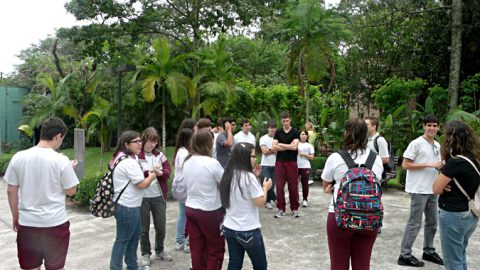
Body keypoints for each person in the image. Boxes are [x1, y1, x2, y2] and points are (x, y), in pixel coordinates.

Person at [5, 117, 79, 270]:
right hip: (55, 224)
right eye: (61, 139)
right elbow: (71, 191)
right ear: (58, 136)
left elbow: (11, 190)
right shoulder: (61, 160)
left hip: (28, 224)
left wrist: (15, 216)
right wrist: (70, 169)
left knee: (31, 267)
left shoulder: (19, 157)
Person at [321, 118, 383, 270]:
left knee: (338, 265)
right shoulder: (376, 159)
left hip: (340, 217)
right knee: (362, 265)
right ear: (366, 136)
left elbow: (326, 186)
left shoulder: (335, 158)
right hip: (369, 218)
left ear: (345, 134)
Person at [397, 114, 444, 267]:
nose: (432, 128)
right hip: (418, 189)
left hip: (432, 189)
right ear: (424, 126)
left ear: (438, 127)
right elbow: (405, 164)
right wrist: (429, 164)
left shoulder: (438, 145)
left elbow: (438, 164)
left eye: (434, 125)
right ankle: (404, 255)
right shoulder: (416, 143)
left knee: (432, 222)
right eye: (429, 125)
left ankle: (428, 251)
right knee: (414, 223)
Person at [433, 120, 480, 270]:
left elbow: (436, 188)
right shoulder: (474, 159)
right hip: (470, 214)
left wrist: (443, 176)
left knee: (453, 262)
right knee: (460, 255)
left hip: (454, 214)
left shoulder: (456, 162)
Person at [219, 143, 272, 270]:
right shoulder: (249, 177)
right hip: (248, 229)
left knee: (234, 264)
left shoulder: (228, 174)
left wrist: (255, 176)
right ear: (245, 158)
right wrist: (265, 188)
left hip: (230, 227)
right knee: (260, 265)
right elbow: (260, 202)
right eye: (253, 156)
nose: (256, 159)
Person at [109, 130, 157, 270]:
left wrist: (148, 173)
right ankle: (115, 267)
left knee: (134, 238)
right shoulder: (128, 162)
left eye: (139, 141)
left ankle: (132, 266)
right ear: (126, 144)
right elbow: (141, 184)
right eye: (135, 142)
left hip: (131, 206)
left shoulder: (126, 158)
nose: (139, 144)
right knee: (123, 240)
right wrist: (153, 175)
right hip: (127, 207)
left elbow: (137, 178)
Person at [184, 129, 225, 269]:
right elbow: (226, 183)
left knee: (197, 248)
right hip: (210, 210)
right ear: (207, 144)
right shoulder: (211, 163)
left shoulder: (187, 161)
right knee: (216, 248)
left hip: (191, 208)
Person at [138, 127, 172, 265]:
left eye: (155, 142)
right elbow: (136, 175)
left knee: (161, 226)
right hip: (142, 197)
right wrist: (149, 171)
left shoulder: (159, 155)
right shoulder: (137, 156)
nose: (152, 145)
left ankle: (160, 250)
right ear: (143, 140)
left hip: (158, 196)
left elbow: (168, 171)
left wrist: (161, 173)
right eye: (150, 141)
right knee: (143, 229)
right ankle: (145, 253)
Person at [173, 118, 197, 254]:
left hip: (182, 187)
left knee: (184, 214)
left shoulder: (182, 151)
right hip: (184, 187)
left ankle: (181, 240)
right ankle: (182, 241)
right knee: (185, 214)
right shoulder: (184, 153)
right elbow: (188, 169)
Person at [272, 111, 300, 218]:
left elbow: (295, 147)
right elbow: (273, 147)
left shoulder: (295, 131)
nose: (285, 123)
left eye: (287, 121)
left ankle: (295, 209)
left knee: (293, 186)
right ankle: (281, 209)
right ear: (281, 121)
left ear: (290, 119)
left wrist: (280, 144)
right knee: (279, 186)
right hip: (280, 162)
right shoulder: (278, 132)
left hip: (292, 162)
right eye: (283, 121)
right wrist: (289, 146)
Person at [260, 120, 277, 209]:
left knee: (273, 184)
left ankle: (271, 199)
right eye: (271, 128)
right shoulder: (263, 138)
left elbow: (279, 151)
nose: (273, 130)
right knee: (267, 183)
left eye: (274, 128)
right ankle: (267, 201)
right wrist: (273, 150)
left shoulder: (278, 138)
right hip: (265, 165)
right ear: (268, 128)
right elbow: (264, 151)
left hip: (275, 164)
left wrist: (269, 149)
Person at [297, 129, 314, 207]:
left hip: (305, 166)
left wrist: (304, 154)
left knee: (305, 184)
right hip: (296, 166)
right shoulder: (296, 144)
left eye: (304, 134)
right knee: (294, 183)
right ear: (299, 135)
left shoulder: (309, 145)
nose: (303, 136)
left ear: (307, 136)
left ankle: (305, 199)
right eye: (301, 134)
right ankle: (295, 199)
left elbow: (312, 157)